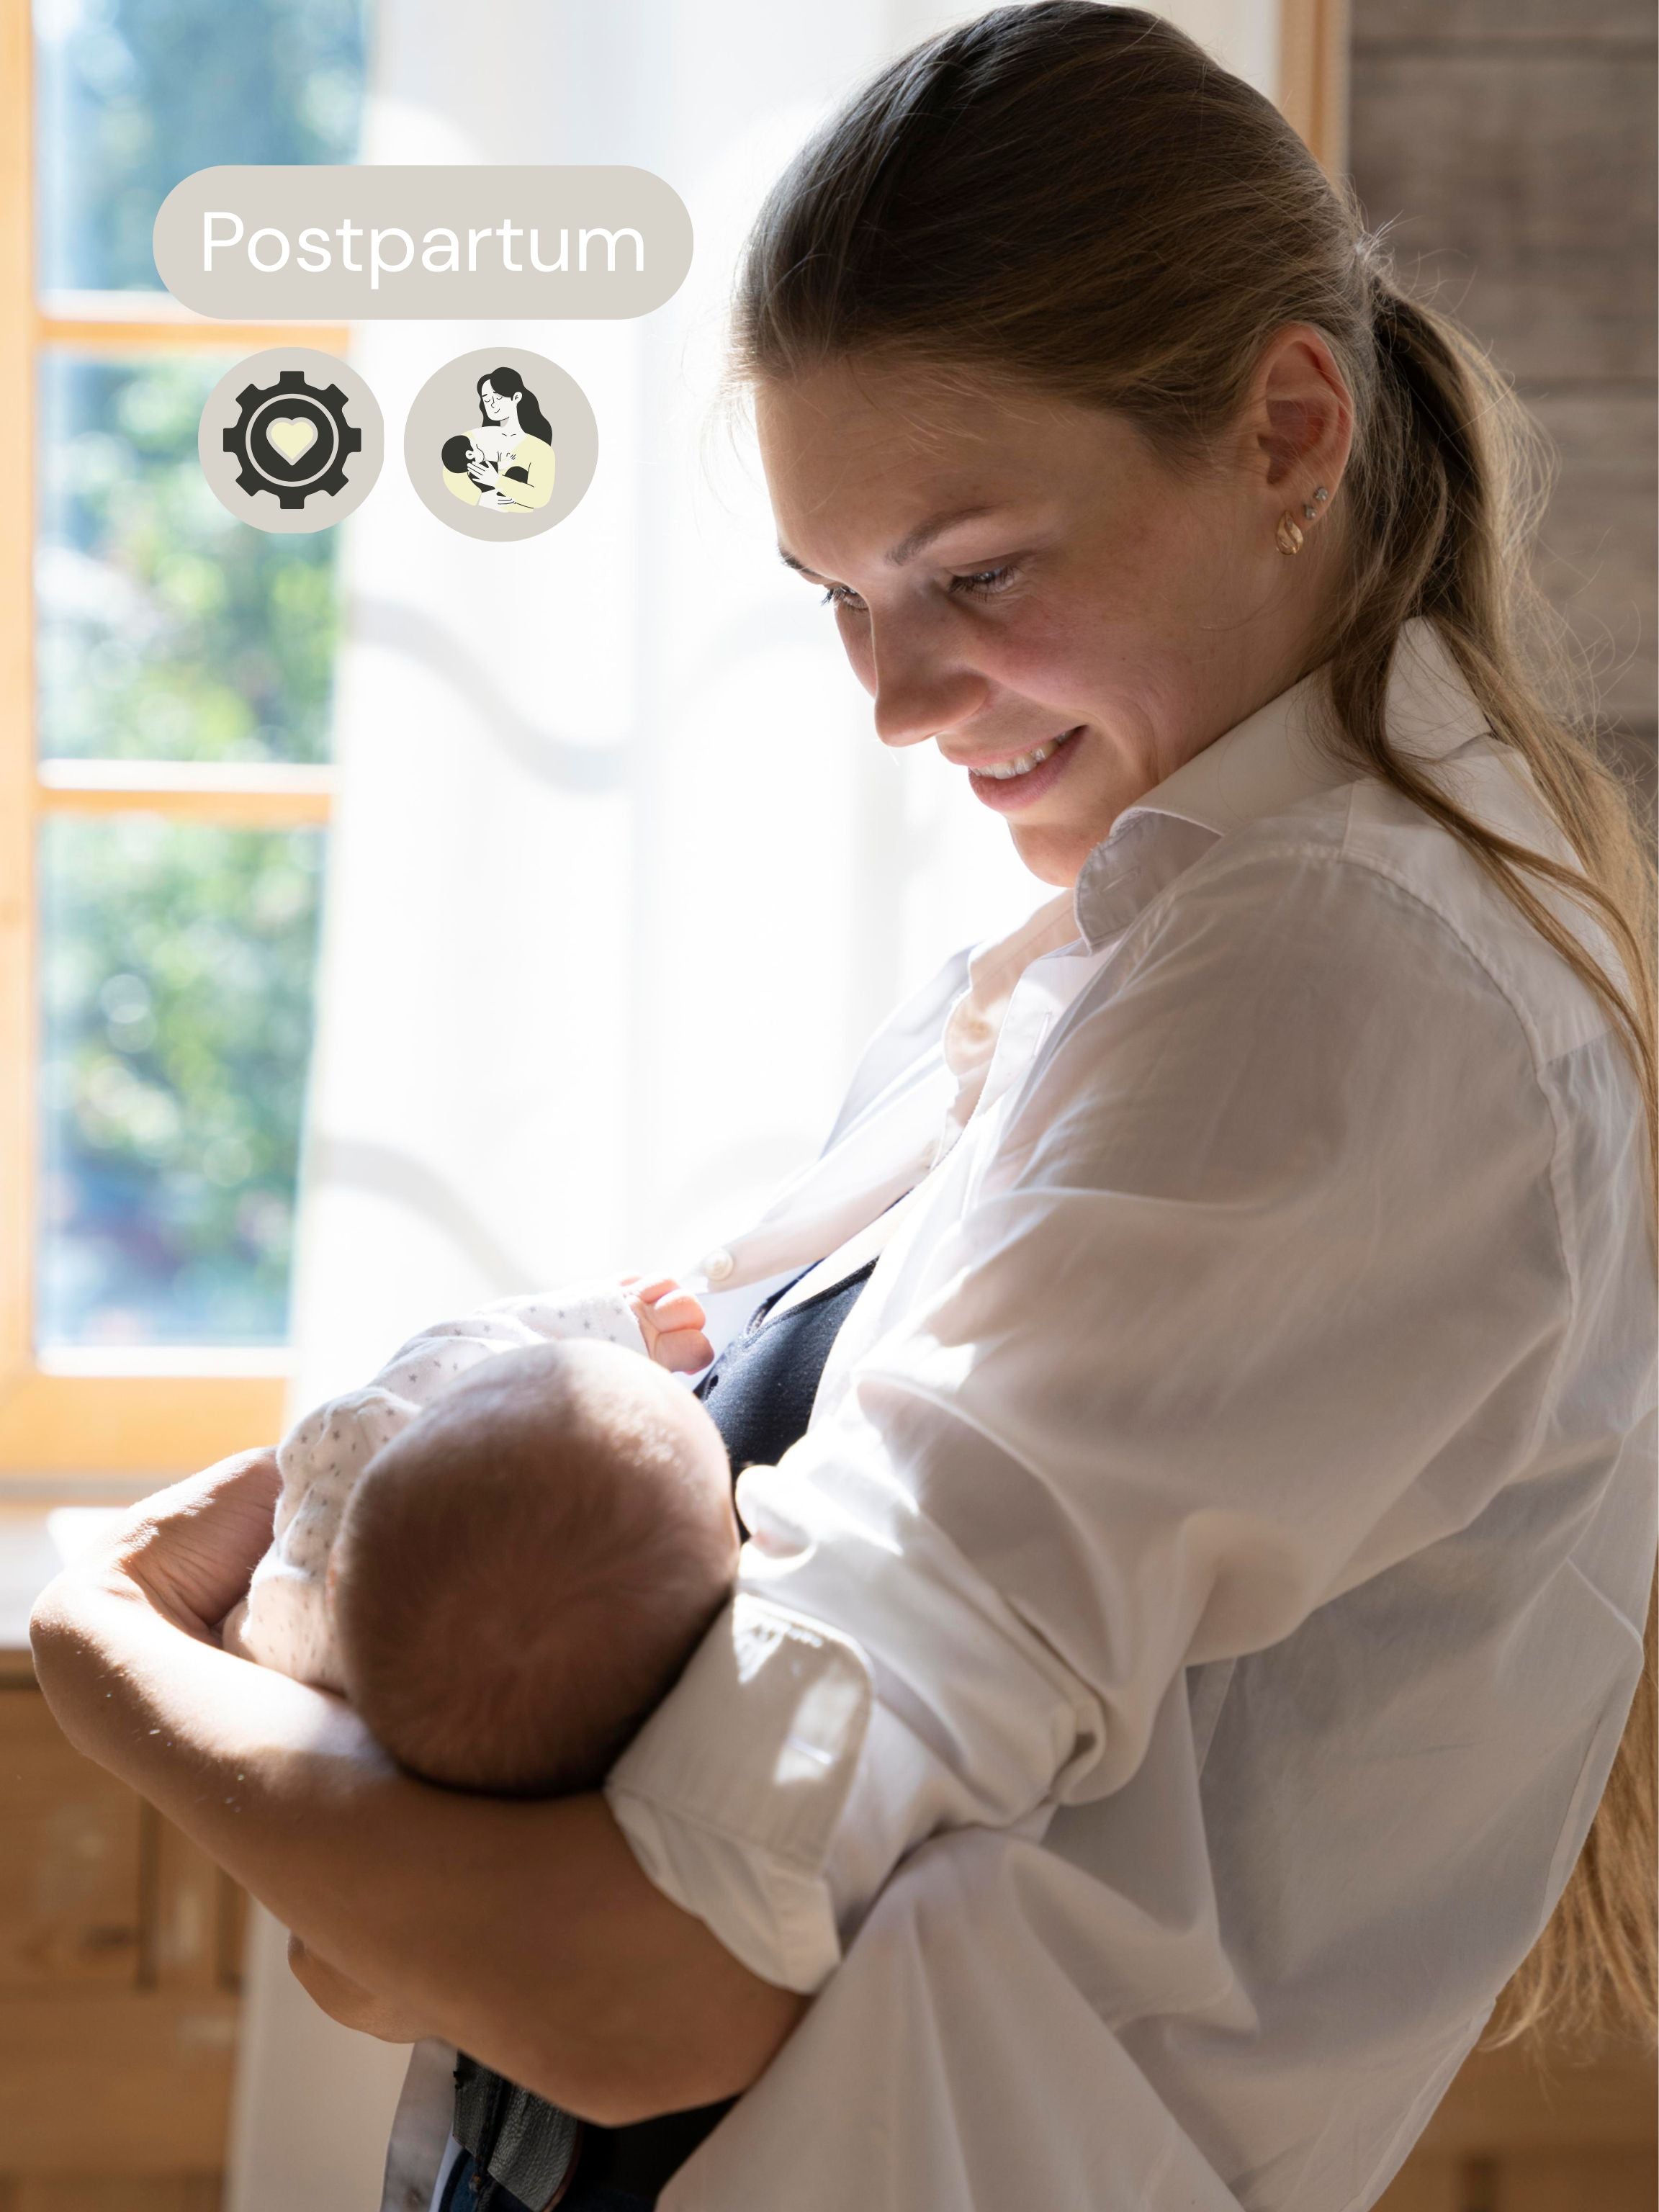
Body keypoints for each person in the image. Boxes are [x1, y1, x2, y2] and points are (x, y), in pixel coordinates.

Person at [30, 9, 1657, 2211]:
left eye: (975, 575)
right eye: (839, 599)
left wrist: (112, 1656)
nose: (893, 700)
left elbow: (640, 1983)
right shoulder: (1128, 942)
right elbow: (411, 1954)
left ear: (1289, 431)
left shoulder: (1327, 988)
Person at [221, 1275, 732, 1799]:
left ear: (335, 1576)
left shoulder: (365, 1453)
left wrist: (614, 1327)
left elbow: (449, 1355)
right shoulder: (584, 1741)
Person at [443, 367, 556, 511]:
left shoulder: (541, 449)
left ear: (516, 397)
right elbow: (451, 474)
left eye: (498, 397)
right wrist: (481, 499)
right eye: (486, 399)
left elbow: (540, 497)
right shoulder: (472, 438)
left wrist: (496, 480)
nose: (491, 404)